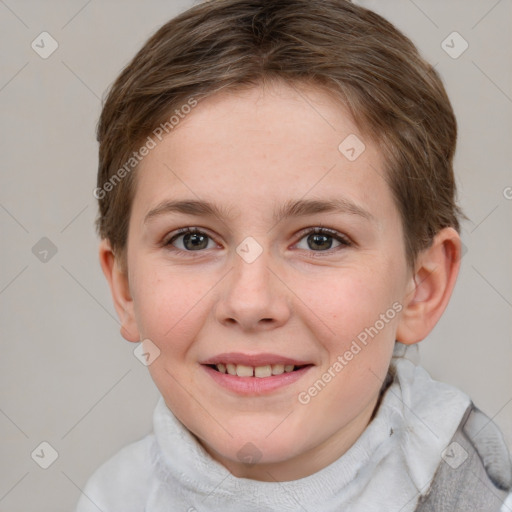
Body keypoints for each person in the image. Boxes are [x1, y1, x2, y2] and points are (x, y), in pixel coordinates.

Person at [77, 0, 512, 510]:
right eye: (193, 239)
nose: (249, 300)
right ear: (125, 287)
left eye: (320, 239)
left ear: (421, 286)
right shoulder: (111, 497)